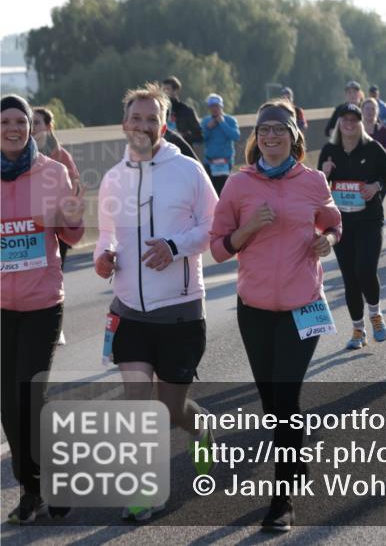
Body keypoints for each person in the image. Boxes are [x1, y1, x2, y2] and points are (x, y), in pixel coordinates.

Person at [210, 99, 342, 532]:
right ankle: (296, 453)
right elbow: (217, 248)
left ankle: (282, 499)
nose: (271, 136)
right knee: (272, 406)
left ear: (294, 137)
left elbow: (331, 221)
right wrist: (249, 228)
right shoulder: (238, 185)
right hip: (254, 309)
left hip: (304, 304)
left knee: (286, 399)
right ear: (255, 137)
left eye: (279, 130)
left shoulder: (313, 180)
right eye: (264, 130)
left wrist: (328, 239)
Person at [93, 83, 218, 522]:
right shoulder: (113, 178)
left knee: (170, 408)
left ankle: (199, 428)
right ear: (125, 124)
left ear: (163, 125)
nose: (143, 125)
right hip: (128, 310)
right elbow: (106, 234)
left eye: (151, 119)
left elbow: (213, 226)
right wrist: (102, 258)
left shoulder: (187, 171)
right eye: (136, 117)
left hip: (180, 310)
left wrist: (175, 246)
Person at [2, 95, 85, 524]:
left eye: (21, 121)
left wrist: (73, 214)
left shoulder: (52, 172)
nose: (14, 128)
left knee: (30, 394)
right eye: (5, 122)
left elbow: (71, 234)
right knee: (8, 406)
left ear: (32, 127)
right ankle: (31, 489)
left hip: (42, 302)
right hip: (0, 306)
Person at [319, 103, 386, 349]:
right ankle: (357, 330)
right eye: (345, 120)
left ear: (360, 122)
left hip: (369, 220)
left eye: (354, 120)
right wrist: (324, 172)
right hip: (341, 223)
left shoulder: (372, 148)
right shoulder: (330, 150)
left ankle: (375, 313)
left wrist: (376, 187)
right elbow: (319, 187)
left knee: (365, 269)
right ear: (339, 123)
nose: (349, 124)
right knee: (350, 278)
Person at [32, 107, 80, 270]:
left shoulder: (61, 156)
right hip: (30, 225)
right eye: (30, 122)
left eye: (37, 123)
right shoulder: (20, 156)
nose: (32, 127)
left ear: (48, 127)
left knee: (54, 271)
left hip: (57, 223)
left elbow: (74, 186)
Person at [200, 94, 241, 195]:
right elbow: (200, 139)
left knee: (225, 191)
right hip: (210, 162)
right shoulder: (205, 121)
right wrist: (208, 128)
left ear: (221, 106)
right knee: (211, 192)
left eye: (216, 106)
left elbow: (236, 136)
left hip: (225, 162)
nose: (214, 109)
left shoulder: (230, 120)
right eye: (211, 106)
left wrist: (222, 123)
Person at [160, 76, 203, 147]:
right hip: (163, 150)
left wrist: (184, 136)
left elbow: (199, 136)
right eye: (163, 90)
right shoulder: (159, 110)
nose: (164, 92)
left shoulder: (187, 111)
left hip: (181, 150)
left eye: (167, 89)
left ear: (176, 91)